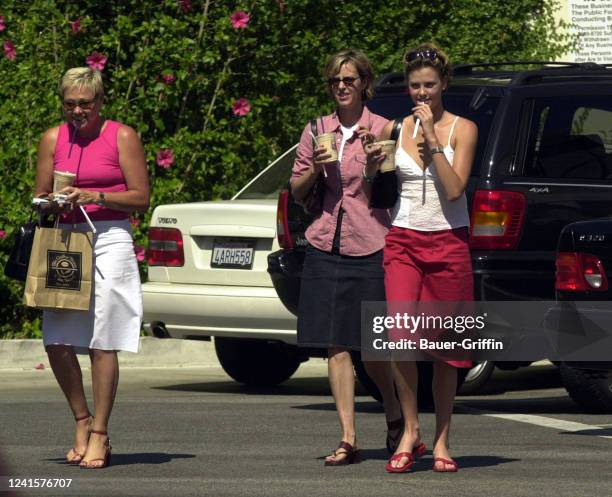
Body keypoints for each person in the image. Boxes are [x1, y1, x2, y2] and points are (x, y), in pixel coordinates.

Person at [34, 67, 149, 469]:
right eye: (70, 104)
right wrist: (53, 202)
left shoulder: (122, 136)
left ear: (100, 103)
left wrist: (96, 194)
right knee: (58, 339)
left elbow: (141, 198)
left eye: (85, 103)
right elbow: (39, 196)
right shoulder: (53, 138)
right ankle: (81, 419)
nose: (78, 111)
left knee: (104, 336)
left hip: (110, 237)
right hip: (65, 239)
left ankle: (100, 432)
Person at [291, 49, 401, 466]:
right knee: (334, 346)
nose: (341, 86)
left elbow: (389, 196)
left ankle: (393, 414)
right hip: (325, 244)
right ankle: (348, 437)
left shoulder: (384, 128)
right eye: (335, 80)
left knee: (372, 348)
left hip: (372, 242)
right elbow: (299, 192)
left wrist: (376, 166)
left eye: (349, 80)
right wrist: (317, 170)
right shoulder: (317, 130)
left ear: (363, 84)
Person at [372, 43, 478, 473]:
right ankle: (410, 429)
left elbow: (454, 190)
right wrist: (370, 163)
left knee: (444, 349)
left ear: (444, 85)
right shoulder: (395, 128)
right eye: (415, 86)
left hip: (449, 242)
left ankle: (442, 440)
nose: (421, 94)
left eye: (429, 86)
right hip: (403, 241)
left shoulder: (462, 129)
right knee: (401, 338)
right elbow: (375, 194)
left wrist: (433, 137)